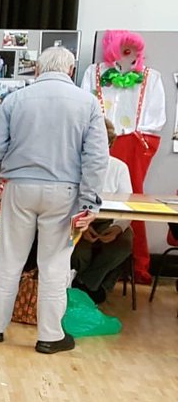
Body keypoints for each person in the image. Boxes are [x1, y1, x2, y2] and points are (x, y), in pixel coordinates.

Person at [0, 45, 108, 354]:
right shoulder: (88, 103)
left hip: (20, 187)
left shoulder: (15, 100)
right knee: (54, 263)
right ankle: (50, 335)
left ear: (36, 70)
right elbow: (96, 158)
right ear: (71, 70)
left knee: (9, 257)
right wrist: (89, 202)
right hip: (64, 191)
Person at [80, 30, 167, 283]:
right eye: (122, 49)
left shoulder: (151, 77)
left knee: (133, 197)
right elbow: (86, 105)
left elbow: (155, 116)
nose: (127, 56)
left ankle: (139, 263)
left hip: (134, 139)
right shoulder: (93, 73)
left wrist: (139, 139)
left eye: (132, 51)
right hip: (98, 136)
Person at [71, 119, 134, 304]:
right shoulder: (75, 165)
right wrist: (82, 224)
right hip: (80, 219)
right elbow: (68, 201)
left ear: (110, 142)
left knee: (123, 245)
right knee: (79, 252)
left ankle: (85, 285)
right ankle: (93, 287)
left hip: (110, 220)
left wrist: (117, 228)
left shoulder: (119, 167)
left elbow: (127, 205)